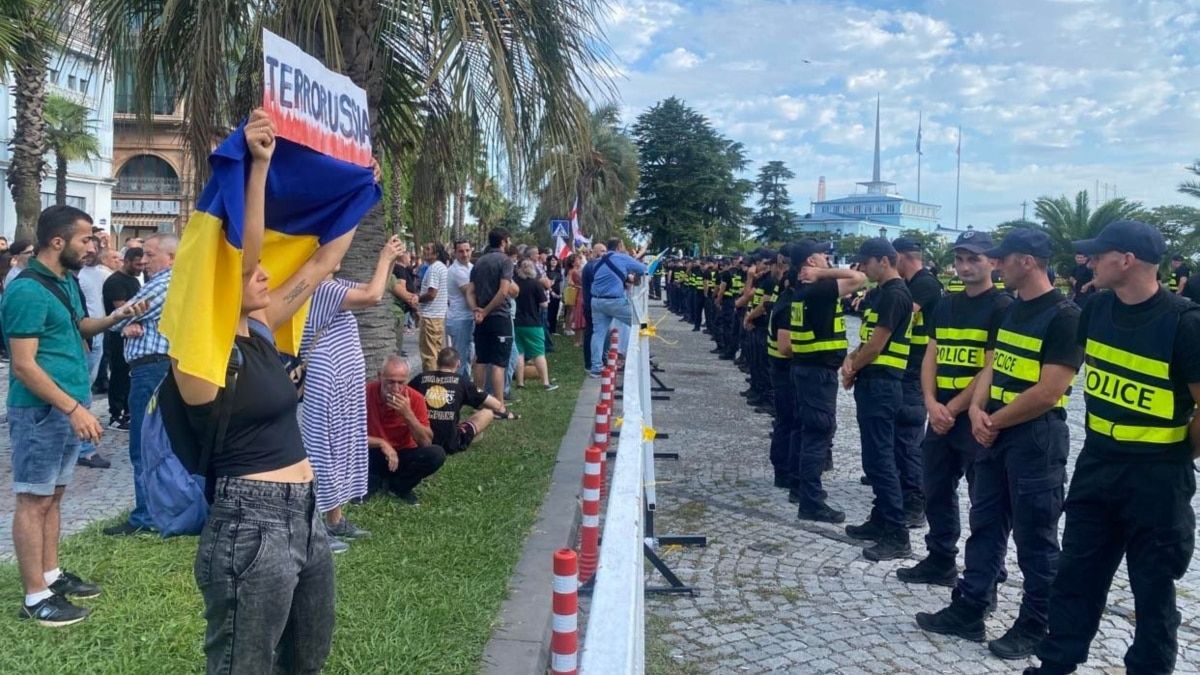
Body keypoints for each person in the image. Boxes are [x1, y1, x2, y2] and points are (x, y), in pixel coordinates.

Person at [172, 111, 371, 672]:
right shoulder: (198, 358)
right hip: (248, 523)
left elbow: (324, 259)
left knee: (308, 656)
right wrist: (258, 169)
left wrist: (359, 187)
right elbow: (244, 252)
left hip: (304, 515)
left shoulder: (261, 330)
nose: (264, 275)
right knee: (245, 664)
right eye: (249, 273)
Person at [1028, 221, 1200, 675]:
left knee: (1153, 590)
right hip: (1098, 467)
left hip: (1158, 481)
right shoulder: (1095, 309)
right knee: (1075, 577)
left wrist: (1183, 453)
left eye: (1098, 254)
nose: (1088, 261)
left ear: (1126, 260)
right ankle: (1056, 664)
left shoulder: (1186, 323)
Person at [917, 228, 1081, 660]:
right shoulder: (1016, 310)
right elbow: (994, 366)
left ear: (1026, 261)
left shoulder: (1064, 315)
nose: (996, 265)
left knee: (1035, 538)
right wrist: (976, 412)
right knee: (985, 521)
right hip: (992, 430)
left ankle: (1036, 625)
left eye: (1001, 258)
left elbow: (1049, 391)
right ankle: (970, 607)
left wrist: (991, 419)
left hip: (1035, 437)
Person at [3, 205, 147, 626]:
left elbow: (79, 327)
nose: (94, 246)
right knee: (33, 499)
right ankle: (34, 598)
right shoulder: (26, 290)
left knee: (54, 496)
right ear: (57, 241)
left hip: (68, 408)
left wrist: (117, 317)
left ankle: (50, 576)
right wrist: (71, 408)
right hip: (41, 412)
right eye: (87, 239)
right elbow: (24, 365)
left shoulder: (63, 281)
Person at [897, 231, 1012, 588]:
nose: (964, 267)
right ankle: (941, 558)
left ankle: (989, 568)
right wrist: (931, 402)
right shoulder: (946, 304)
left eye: (973, 259)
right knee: (936, 488)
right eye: (960, 259)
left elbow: (990, 368)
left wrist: (953, 407)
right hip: (941, 415)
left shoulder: (1003, 307)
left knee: (984, 500)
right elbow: (932, 354)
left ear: (992, 262)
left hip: (977, 417)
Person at [300, 236, 404, 552]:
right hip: (327, 382)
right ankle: (316, 528)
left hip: (341, 383)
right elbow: (372, 296)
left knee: (342, 445)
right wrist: (385, 257)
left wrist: (390, 264)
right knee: (323, 450)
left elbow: (373, 287)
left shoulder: (334, 284)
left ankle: (335, 519)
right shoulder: (321, 288)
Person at [780, 241, 866, 523]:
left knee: (809, 431)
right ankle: (811, 501)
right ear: (810, 261)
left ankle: (801, 488)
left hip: (806, 369)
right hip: (817, 374)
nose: (827, 258)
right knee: (819, 433)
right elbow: (860, 278)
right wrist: (822, 274)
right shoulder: (818, 288)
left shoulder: (801, 290)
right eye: (822, 254)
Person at [841, 238, 914, 561]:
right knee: (874, 457)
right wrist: (851, 362)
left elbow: (876, 346)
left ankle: (896, 533)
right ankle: (880, 518)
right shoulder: (882, 294)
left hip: (884, 384)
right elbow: (866, 341)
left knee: (881, 460)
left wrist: (852, 367)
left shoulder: (896, 295)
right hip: (873, 381)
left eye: (867, 262)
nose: (862, 268)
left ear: (885, 261)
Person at [102, 234, 178, 536]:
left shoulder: (162, 283)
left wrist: (124, 323)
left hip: (151, 368)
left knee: (144, 444)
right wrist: (128, 323)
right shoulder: (172, 281)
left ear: (170, 257)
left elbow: (117, 316)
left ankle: (147, 516)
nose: (143, 260)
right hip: (161, 367)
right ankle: (164, 510)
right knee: (162, 441)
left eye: (150, 254)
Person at [892, 236, 943, 528]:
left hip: (917, 368)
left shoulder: (925, 283)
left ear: (901, 257)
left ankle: (915, 501)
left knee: (909, 437)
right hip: (907, 366)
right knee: (900, 433)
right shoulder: (911, 284)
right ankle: (902, 487)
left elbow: (899, 313)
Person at [366, 355, 445, 505]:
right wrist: (382, 443)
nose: (396, 388)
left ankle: (399, 487)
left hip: (403, 454)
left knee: (436, 454)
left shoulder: (416, 398)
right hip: (373, 451)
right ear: (379, 376)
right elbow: (349, 436)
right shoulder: (364, 393)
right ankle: (374, 481)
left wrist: (408, 415)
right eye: (390, 382)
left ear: (407, 380)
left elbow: (426, 442)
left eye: (401, 383)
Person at [411, 347, 507, 453]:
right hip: (450, 442)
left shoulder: (420, 378)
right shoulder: (462, 382)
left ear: (437, 362)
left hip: (421, 438)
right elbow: (496, 405)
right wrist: (477, 403)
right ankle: (469, 434)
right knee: (488, 413)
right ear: (458, 364)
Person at [467, 228, 518, 415]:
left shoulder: (478, 261)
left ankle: (479, 403)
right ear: (503, 241)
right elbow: (504, 291)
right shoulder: (505, 261)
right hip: (499, 317)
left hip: (481, 320)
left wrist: (476, 310)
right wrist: (486, 311)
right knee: (498, 363)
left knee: (481, 360)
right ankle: (499, 405)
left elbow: (469, 291)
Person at [589, 238, 647, 376]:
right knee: (641, 323)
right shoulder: (621, 257)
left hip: (596, 301)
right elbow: (643, 269)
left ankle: (596, 368)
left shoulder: (597, 262)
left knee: (598, 334)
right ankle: (641, 357)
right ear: (619, 246)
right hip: (615, 301)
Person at [101, 248, 144, 430]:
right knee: (119, 373)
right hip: (118, 333)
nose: (141, 268)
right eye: (137, 264)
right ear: (126, 261)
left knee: (129, 374)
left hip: (133, 333)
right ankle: (115, 414)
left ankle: (128, 411)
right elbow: (123, 310)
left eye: (143, 264)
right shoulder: (115, 282)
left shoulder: (134, 280)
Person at [514, 258, 559, 391]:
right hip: (533, 323)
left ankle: (520, 383)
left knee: (519, 353)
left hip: (516, 322)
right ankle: (545, 382)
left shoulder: (514, 283)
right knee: (539, 353)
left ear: (519, 269)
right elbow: (544, 304)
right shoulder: (535, 284)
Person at [445, 239, 475, 379]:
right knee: (460, 359)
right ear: (455, 253)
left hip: (467, 317)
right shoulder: (456, 270)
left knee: (468, 355)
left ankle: (465, 386)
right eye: (461, 251)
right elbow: (469, 292)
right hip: (459, 319)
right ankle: (458, 389)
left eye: (467, 250)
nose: (465, 254)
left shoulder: (470, 267)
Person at [418, 241, 449, 372]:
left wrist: (416, 298)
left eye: (428, 249)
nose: (425, 250)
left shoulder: (434, 269)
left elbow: (431, 294)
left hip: (430, 317)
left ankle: (430, 384)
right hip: (438, 317)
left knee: (429, 356)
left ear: (436, 254)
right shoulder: (441, 267)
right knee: (437, 354)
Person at [389, 249, 420, 357]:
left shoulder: (399, 269)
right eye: (408, 257)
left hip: (401, 308)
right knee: (397, 337)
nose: (410, 259)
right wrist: (413, 300)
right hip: (398, 309)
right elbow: (401, 288)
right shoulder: (399, 270)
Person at [565, 253, 584, 340]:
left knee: (571, 310)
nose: (579, 261)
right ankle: (568, 328)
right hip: (574, 292)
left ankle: (568, 327)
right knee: (571, 310)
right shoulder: (572, 271)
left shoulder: (577, 270)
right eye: (578, 260)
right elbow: (569, 282)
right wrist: (578, 286)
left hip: (576, 291)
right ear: (573, 263)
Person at [546, 254, 563, 336]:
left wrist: (560, 293)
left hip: (557, 293)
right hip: (549, 293)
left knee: (555, 311)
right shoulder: (546, 272)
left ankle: (553, 329)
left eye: (555, 260)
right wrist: (551, 292)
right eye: (552, 260)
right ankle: (548, 329)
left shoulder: (558, 272)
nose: (554, 262)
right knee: (549, 311)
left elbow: (561, 283)